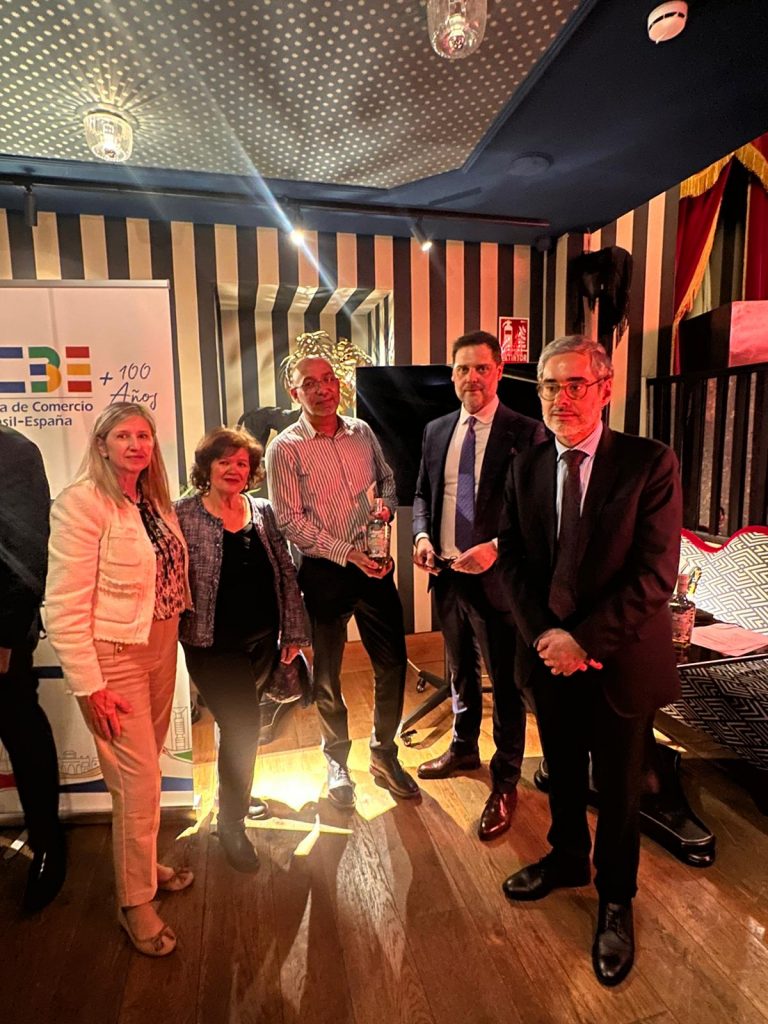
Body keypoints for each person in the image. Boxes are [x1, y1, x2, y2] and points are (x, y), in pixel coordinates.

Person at [497, 336, 682, 986]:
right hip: (549, 658)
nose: (561, 398)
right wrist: (547, 638)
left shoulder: (648, 462)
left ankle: (615, 898)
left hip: (617, 661)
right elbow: (512, 561)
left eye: (575, 384)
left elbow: (655, 574)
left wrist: (583, 642)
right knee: (563, 772)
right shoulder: (524, 465)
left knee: (622, 790)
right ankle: (568, 857)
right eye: (550, 385)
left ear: (605, 388)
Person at [46, 403, 191, 958]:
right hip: (115, 657)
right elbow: (63, 606)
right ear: (102, 444)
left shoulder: (153, 501)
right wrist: (90, 685)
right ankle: (135, 902)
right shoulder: (81, 503)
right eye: (124, 435)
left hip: (161, 645)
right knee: (137, 782)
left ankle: (144, 867)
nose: (136, 445)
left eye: (144, 435)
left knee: (147, 774)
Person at [267, 356, 418, 809]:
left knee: (393, 664)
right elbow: (290, 521)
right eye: (310, 383)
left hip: (375, 566)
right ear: (294, 393)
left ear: (339, 385)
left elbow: (388, 481)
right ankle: (336, 760)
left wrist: (385, 508)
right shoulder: (285, 448)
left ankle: (384, 753)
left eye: (329, 379)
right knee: (328, 676)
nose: (323, 389)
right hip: (324, 572)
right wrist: (346, 553)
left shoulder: (362, 432)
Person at [412, 331, 546, 840]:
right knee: (459, 671)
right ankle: (463, 747)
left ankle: (506, 779)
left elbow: (537, 512)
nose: (472, 377)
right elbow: (423, 494)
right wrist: (422, 536)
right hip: (447, 575)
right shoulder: (436, 430)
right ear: (452, 375)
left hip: (498, 580)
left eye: (482, 368)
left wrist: (495, 546)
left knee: (506, 685)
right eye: (463, 369)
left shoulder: (526, 432)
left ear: (499, 371)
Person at [176, 426, 309, 872]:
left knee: (237, 727)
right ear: (207, 467)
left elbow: (285, 572)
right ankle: (231, 824)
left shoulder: (262, 510)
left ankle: (232, 794)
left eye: (242, 464)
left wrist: (293, 633)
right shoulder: (183, 514)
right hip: (211, 645)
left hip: (262, 641)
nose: (234, 470)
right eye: (224, 461)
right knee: (245, 726)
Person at [0, 426, 66, 912]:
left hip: (0, 633)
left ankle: (49, 845)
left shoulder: (14, 451)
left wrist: (5, 637)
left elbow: (26, 552)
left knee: (20, 728)